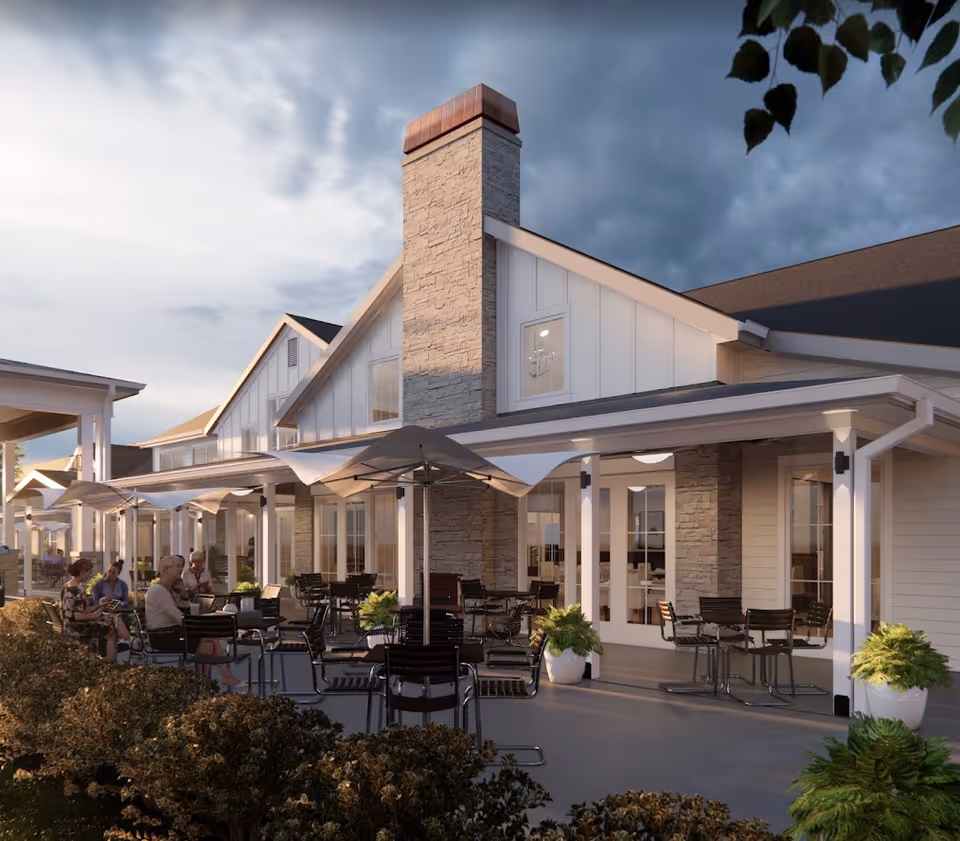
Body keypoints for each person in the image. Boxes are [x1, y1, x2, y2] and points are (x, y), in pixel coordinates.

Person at [145, 555, 241, 688]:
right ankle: (225, 676)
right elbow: (179, 618)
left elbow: (185, 609)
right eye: (177, 566)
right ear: (166, 570)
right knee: (211, 637)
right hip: (162, 636)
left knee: (207, 645)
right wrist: (201, 625)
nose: (181, 569)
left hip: (173, 633)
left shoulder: (168, 590)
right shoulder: (158, 591)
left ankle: (204, 685)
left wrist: (184, 595)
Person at [60, 558, 129, 662]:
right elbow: (75, 615)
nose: (89, 575)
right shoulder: (75, 590)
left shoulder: (67, 586)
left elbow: (80, 610)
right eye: (89, 572)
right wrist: (95, 616)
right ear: (83, 572)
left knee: (112, 619)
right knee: (113, 620)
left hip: (71, 624)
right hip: (75, 627)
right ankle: (128, 643)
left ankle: (114, 654)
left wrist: (99, 606)